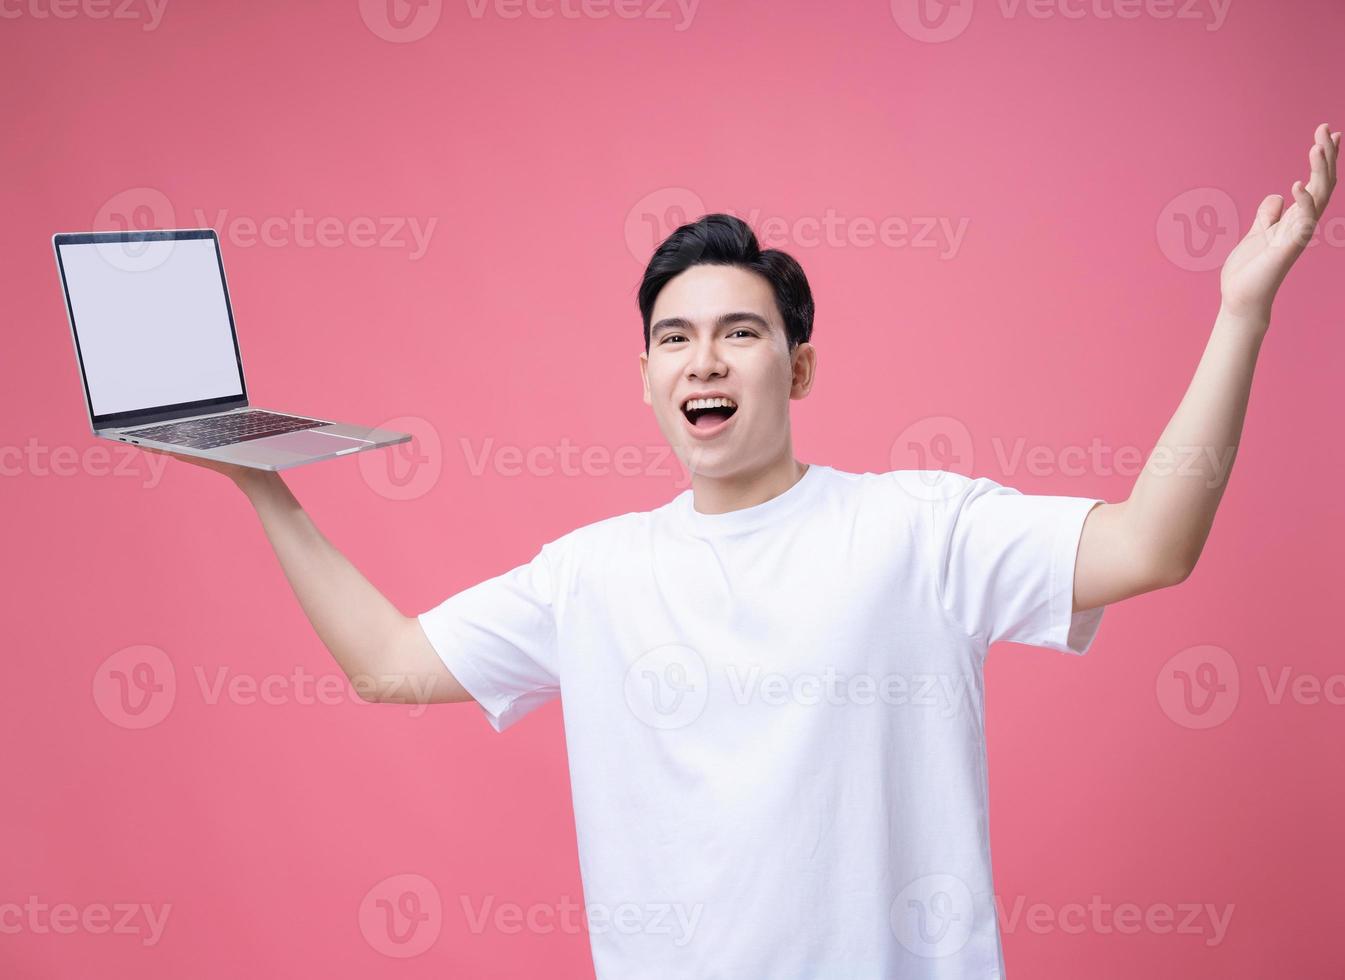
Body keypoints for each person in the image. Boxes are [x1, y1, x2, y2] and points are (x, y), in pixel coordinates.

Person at [148, 123, 1338, 978]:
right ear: (646, 377)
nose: (703, 360)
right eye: (674, 338)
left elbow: (1152, 542)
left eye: (738, 332)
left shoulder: (920, 527)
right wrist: (267, 489)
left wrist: (1240, 311)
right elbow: (391, 662)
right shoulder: (593, 571)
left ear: (799, 365)